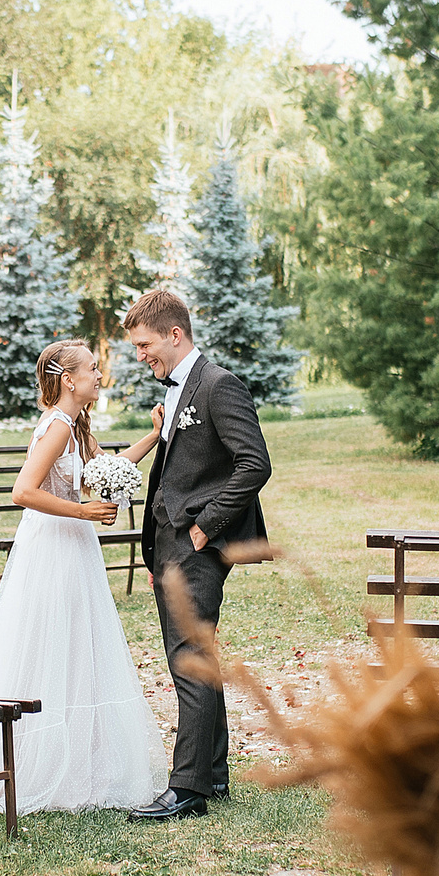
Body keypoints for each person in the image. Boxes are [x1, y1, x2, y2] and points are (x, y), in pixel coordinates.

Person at [0, 340, 166, 814]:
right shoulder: (58, 427)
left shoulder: (77, 426)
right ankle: (41, 761)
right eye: (94, 369)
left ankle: (82, 759)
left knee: (78, 646)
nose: (101, 376)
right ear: (69, 380)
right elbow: (23, 490)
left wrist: (155, 438)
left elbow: (107, 469)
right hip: (55, 548)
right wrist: (82, 511)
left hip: (74, 547)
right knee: (52, 644)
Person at [122, 288, 272, 823]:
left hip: (194, 546)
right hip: (168, 541)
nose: (141, 356)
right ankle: (212, 774)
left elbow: (254, 464)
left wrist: (205, 530)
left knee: (189, 657)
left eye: (145, 345)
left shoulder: (218, 385)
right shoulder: (180, 389)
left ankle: (187, 788)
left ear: (174, 334)